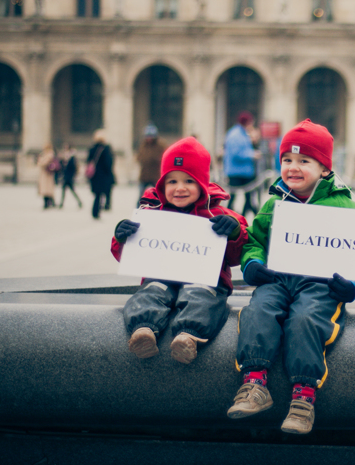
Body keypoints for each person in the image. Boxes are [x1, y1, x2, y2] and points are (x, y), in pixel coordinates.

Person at [226, 119, 355, 435]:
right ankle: (255, 383)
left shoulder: (347, 206)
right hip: (277, 279)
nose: (292, 168)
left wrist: (352, 284)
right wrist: (253, 265)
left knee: (306, 320)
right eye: (287, 160)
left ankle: (303, 397)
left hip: (320, 284)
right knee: (258, 311)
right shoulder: (273, 204)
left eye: (303, 161)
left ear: (324, 168)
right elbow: (254, 240)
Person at [110, 137, 249, 364]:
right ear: (162, 185)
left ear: (203, 184)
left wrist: (234, 233)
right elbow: (127, 257)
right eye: (172, 181)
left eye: (189, 181)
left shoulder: (219, 214)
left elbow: (239, 254)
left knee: (202, 296)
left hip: (206, 279)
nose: (180, 188)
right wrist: (122, 237)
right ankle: (143, 329)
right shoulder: (151, 213)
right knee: (151, 291)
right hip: (161, 274)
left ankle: (188, 336)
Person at [223, 112, 259, 217]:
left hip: (243, 171)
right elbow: (236, 153)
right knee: (234, 197)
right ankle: (229, 215)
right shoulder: (235, 135)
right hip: (238, 172)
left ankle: (242, 215)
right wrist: (252, 155)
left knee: (246, 197)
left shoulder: (242, 133)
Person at [87, 129, 115, 220]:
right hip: (103, 176)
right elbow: (108, 163)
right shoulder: (106, 149)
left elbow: (88, 161)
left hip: (94, 176)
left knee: (97, 194)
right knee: (102, 194)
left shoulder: (92, 148)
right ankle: (97, 212)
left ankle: (95, 211)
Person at [136, 125, 166, 198]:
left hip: (155, 175)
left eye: (151, 136)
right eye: (147, 136)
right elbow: (139, 156)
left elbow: (164, 157)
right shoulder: (143, 145)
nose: (149, 138)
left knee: (159, 194)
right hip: (144, 175)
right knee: (141, 195)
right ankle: (138, 208)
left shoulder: (160, 145)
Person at [57, 143, 82, 209]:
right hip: (65, 176)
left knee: (71, 190)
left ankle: (79, 202)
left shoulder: (72, 157)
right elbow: (62, 166)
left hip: (69, 177)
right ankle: (62, 203)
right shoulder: (65, 156)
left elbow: (73, 167)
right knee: (65, 190)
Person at [36, 143, 58, 209]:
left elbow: (43, 163)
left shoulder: (49, 154)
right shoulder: (46, 154)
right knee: (46, 189)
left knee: (46, 189)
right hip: (45, 174)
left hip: (47, 174)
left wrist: (40, 160)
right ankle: (49, 203)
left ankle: (48, 203)